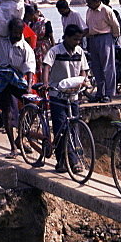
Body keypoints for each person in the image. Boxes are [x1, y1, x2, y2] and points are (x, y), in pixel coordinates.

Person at [42, 23, 90, 170]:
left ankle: (71, 159)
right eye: (75, 39)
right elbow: (46, 67)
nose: (77, 42)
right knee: (60, 127)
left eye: (79, 39)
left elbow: (84, 70)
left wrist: (83, 81)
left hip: (73, 95)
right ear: (66, 37)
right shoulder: (55, 51)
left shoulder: (79, 51)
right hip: (57, 94)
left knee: (74, 126)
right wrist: (45, 83)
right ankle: (67, 160)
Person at [0, 17, 36, 156]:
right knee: (7, 111)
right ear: (10, 30)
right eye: (15, 32)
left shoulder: (26, 48)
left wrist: (29, 87)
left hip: (17, 79)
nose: (18, 35)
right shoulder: (1, 42)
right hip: (3, 78)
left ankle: (21, 136)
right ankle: (13, 146)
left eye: (20, 32)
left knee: (32, 105)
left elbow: (30, 68)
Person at [83, 0, 120, 102]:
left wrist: (113, 38)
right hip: (93, 39)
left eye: (89, 3)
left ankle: (109, 94)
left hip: (105, 38)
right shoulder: (89, 11)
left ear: (97, 1)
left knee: (108, 67)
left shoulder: (106, 10)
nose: (88, 5)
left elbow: (115, 26)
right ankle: (100, 93)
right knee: (96, 68)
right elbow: (88, 26)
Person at [24, 3, 53, 83]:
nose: (27, 19)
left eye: (27, 16)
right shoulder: (30, 24)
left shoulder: (45, 22)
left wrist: (53, 49)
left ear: (32, 14)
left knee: (46, 66)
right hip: (35, 48)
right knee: (37, 68)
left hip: (45, 48)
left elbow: (51, 37)